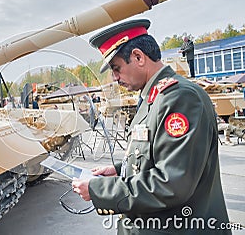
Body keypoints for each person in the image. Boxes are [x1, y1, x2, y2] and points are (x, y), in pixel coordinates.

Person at [72, 19, 230, 234]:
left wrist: (99, 189)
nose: (115, 77)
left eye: (116, 68)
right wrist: (119, 171)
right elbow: (154, 154)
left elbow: (172, 183)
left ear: (138, 57)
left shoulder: (180, 98)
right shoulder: (153, 98)